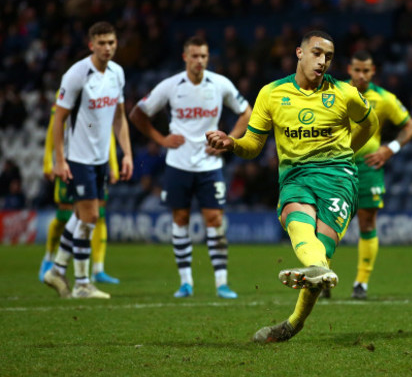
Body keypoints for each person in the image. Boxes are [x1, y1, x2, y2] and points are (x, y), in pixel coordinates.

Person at [206, 30, 378, 343]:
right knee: (302, 232)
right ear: (299, 53)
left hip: (339, 179)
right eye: (316, 53)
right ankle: (314, 273)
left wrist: (348, 152)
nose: (323, 61)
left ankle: (294, 323)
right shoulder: (271, 94)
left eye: (328, 56)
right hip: (295, 176)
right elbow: (254, 144)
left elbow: (371, 123)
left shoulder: (344, 93)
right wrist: (232, 142)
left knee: (320, 254)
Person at [129, 35, 251, 299]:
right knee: (180, 219)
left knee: (214, 219)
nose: (199, 61)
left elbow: (246, 112)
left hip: (210, 165)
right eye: (194, 56)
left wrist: (227, 139)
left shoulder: (220, 84)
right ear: (185, 57)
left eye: (204, 56)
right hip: (178, 164)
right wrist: (161, 139)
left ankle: (222, 283)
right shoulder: (171, 86)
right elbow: (137, 113)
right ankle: (186, 282)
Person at [43, 21, 133, 299]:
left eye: (111, 43)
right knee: (91, 216)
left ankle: (58, 270)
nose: (107, 48)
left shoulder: (117, 73)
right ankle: (81, 283)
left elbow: (119, 117)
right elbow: (59, 119)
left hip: (100, 159)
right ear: (91, 44)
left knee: (83, 217)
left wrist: (126, 153)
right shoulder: (77, 74)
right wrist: (60, 159)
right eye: (102, 43)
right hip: (78, 157)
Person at [328, 50, 412, 299]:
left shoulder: (385, 99)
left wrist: (390, 149)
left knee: (367, 222)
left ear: (373, 71)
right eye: (357, 70)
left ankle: (361, 283)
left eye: (366, 71)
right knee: (328, 221)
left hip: (368, 167)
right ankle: (323, 276)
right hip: (336, 165)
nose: (361, 75)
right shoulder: (334, 92)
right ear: (349, 70)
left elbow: (410, 127)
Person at [39, 100, 122, 285]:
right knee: (65, 215)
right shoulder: (66, 96)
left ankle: (97, 269)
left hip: (96, 164)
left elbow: (103, 129)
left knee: (97, 215)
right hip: (70, 162)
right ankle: (49, 260)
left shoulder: (100, 99)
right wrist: (49, 162)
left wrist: (113, 164)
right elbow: (54, 130)